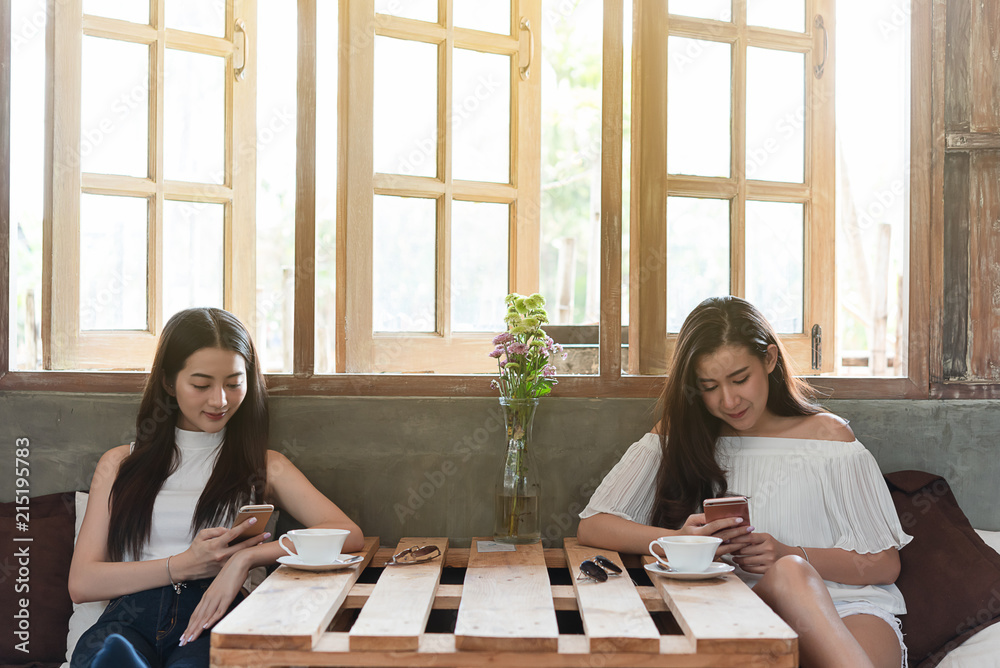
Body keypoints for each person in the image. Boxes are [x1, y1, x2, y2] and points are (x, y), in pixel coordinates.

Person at [577, 296, 911, 668]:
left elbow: (884, 564)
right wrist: (678, 541)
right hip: (742, 610)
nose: (729, 399)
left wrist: (789, 553)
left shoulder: (829, 437)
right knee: (788, 574)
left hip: (851, 606)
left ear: (769, 360)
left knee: (793, 571)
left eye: (740, 379)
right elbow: (593, 525)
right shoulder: (677, 437)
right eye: (709, 386)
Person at [69, 307, 363, 668]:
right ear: (167, 382)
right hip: (129, 617)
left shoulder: (265, 465)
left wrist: (244, 558)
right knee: (108, 653)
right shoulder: (120, 463)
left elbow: (348, 534)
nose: (219, 400)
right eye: (201, 384)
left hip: (217, 613)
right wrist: (183, 565)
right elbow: (82, 582)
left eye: (233, 383)